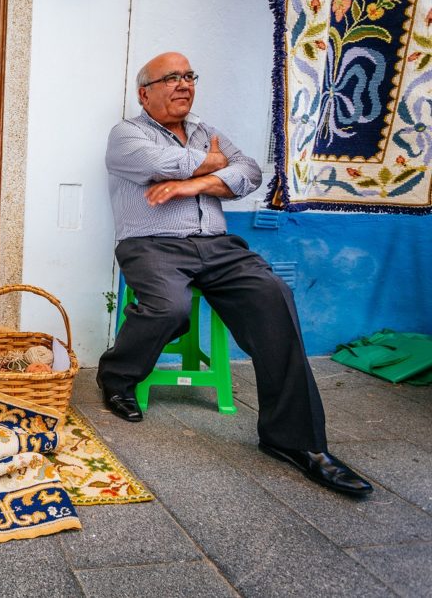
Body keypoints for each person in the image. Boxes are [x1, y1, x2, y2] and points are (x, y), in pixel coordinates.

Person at [96, 51, 372, 497]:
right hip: (152, 243)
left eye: (189, 76)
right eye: (172, 78)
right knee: (169, 307)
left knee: (274, 296)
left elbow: (249, 172)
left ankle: (296, 442)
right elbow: (157, 165)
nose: (185, 84)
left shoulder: (208, 131)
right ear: (145, 92)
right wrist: (209, 164)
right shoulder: (126, 133)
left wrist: (195, 184)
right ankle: (116, 375)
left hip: (219, 247)